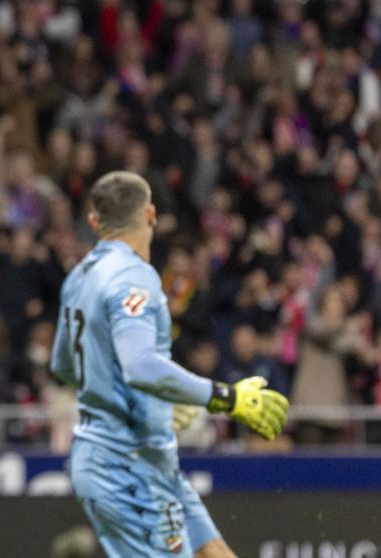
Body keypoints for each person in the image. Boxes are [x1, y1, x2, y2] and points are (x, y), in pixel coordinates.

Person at [50, 171, 288, 558]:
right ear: (150, 215)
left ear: (94, 221)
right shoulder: (132, 277)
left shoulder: (78, 277)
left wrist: (150, 402)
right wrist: (226, 398)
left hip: (140, 458)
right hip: (124, 463)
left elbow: (64, 365)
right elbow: (141, 366)